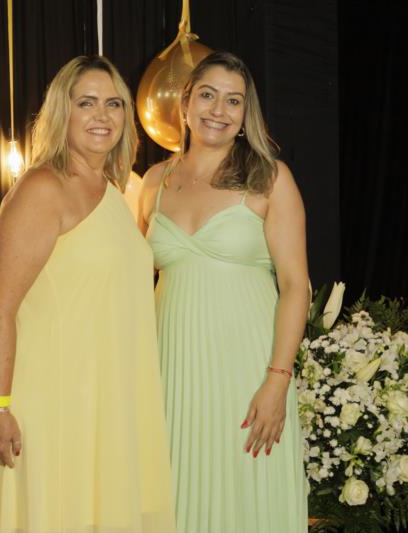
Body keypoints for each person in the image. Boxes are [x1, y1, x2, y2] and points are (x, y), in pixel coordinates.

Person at [0, 55, 176, 532]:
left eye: (113, 104)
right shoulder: (43, 187)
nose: (102, 115)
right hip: (55, 398)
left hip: (107, 398)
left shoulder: (112, 190)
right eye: (86, 102)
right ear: (61, 112)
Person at [137, 51, 309, 532]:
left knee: (246, 496)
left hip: (249, 372)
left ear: (245, 113)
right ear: (185, 103)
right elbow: (130, 282)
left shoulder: (270, 179)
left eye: (233, 101)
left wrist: (278, 380)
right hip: (170, 371)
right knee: (177, 497)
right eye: (208, 95)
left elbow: (296, 286)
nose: (218, 110)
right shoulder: (153, 182)